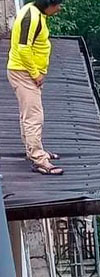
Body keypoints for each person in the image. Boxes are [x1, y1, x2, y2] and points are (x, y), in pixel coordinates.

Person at [7, 0, 64, 175]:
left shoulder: (35, 13)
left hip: (24, 72)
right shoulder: (31, 17)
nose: (59, 9)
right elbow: (23, 48)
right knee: (34, 117)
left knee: (28, 114)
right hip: (23, 72)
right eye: (58, 5)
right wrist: (35, 73)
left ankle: (33, 151)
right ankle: (39, 160)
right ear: (49, 4)